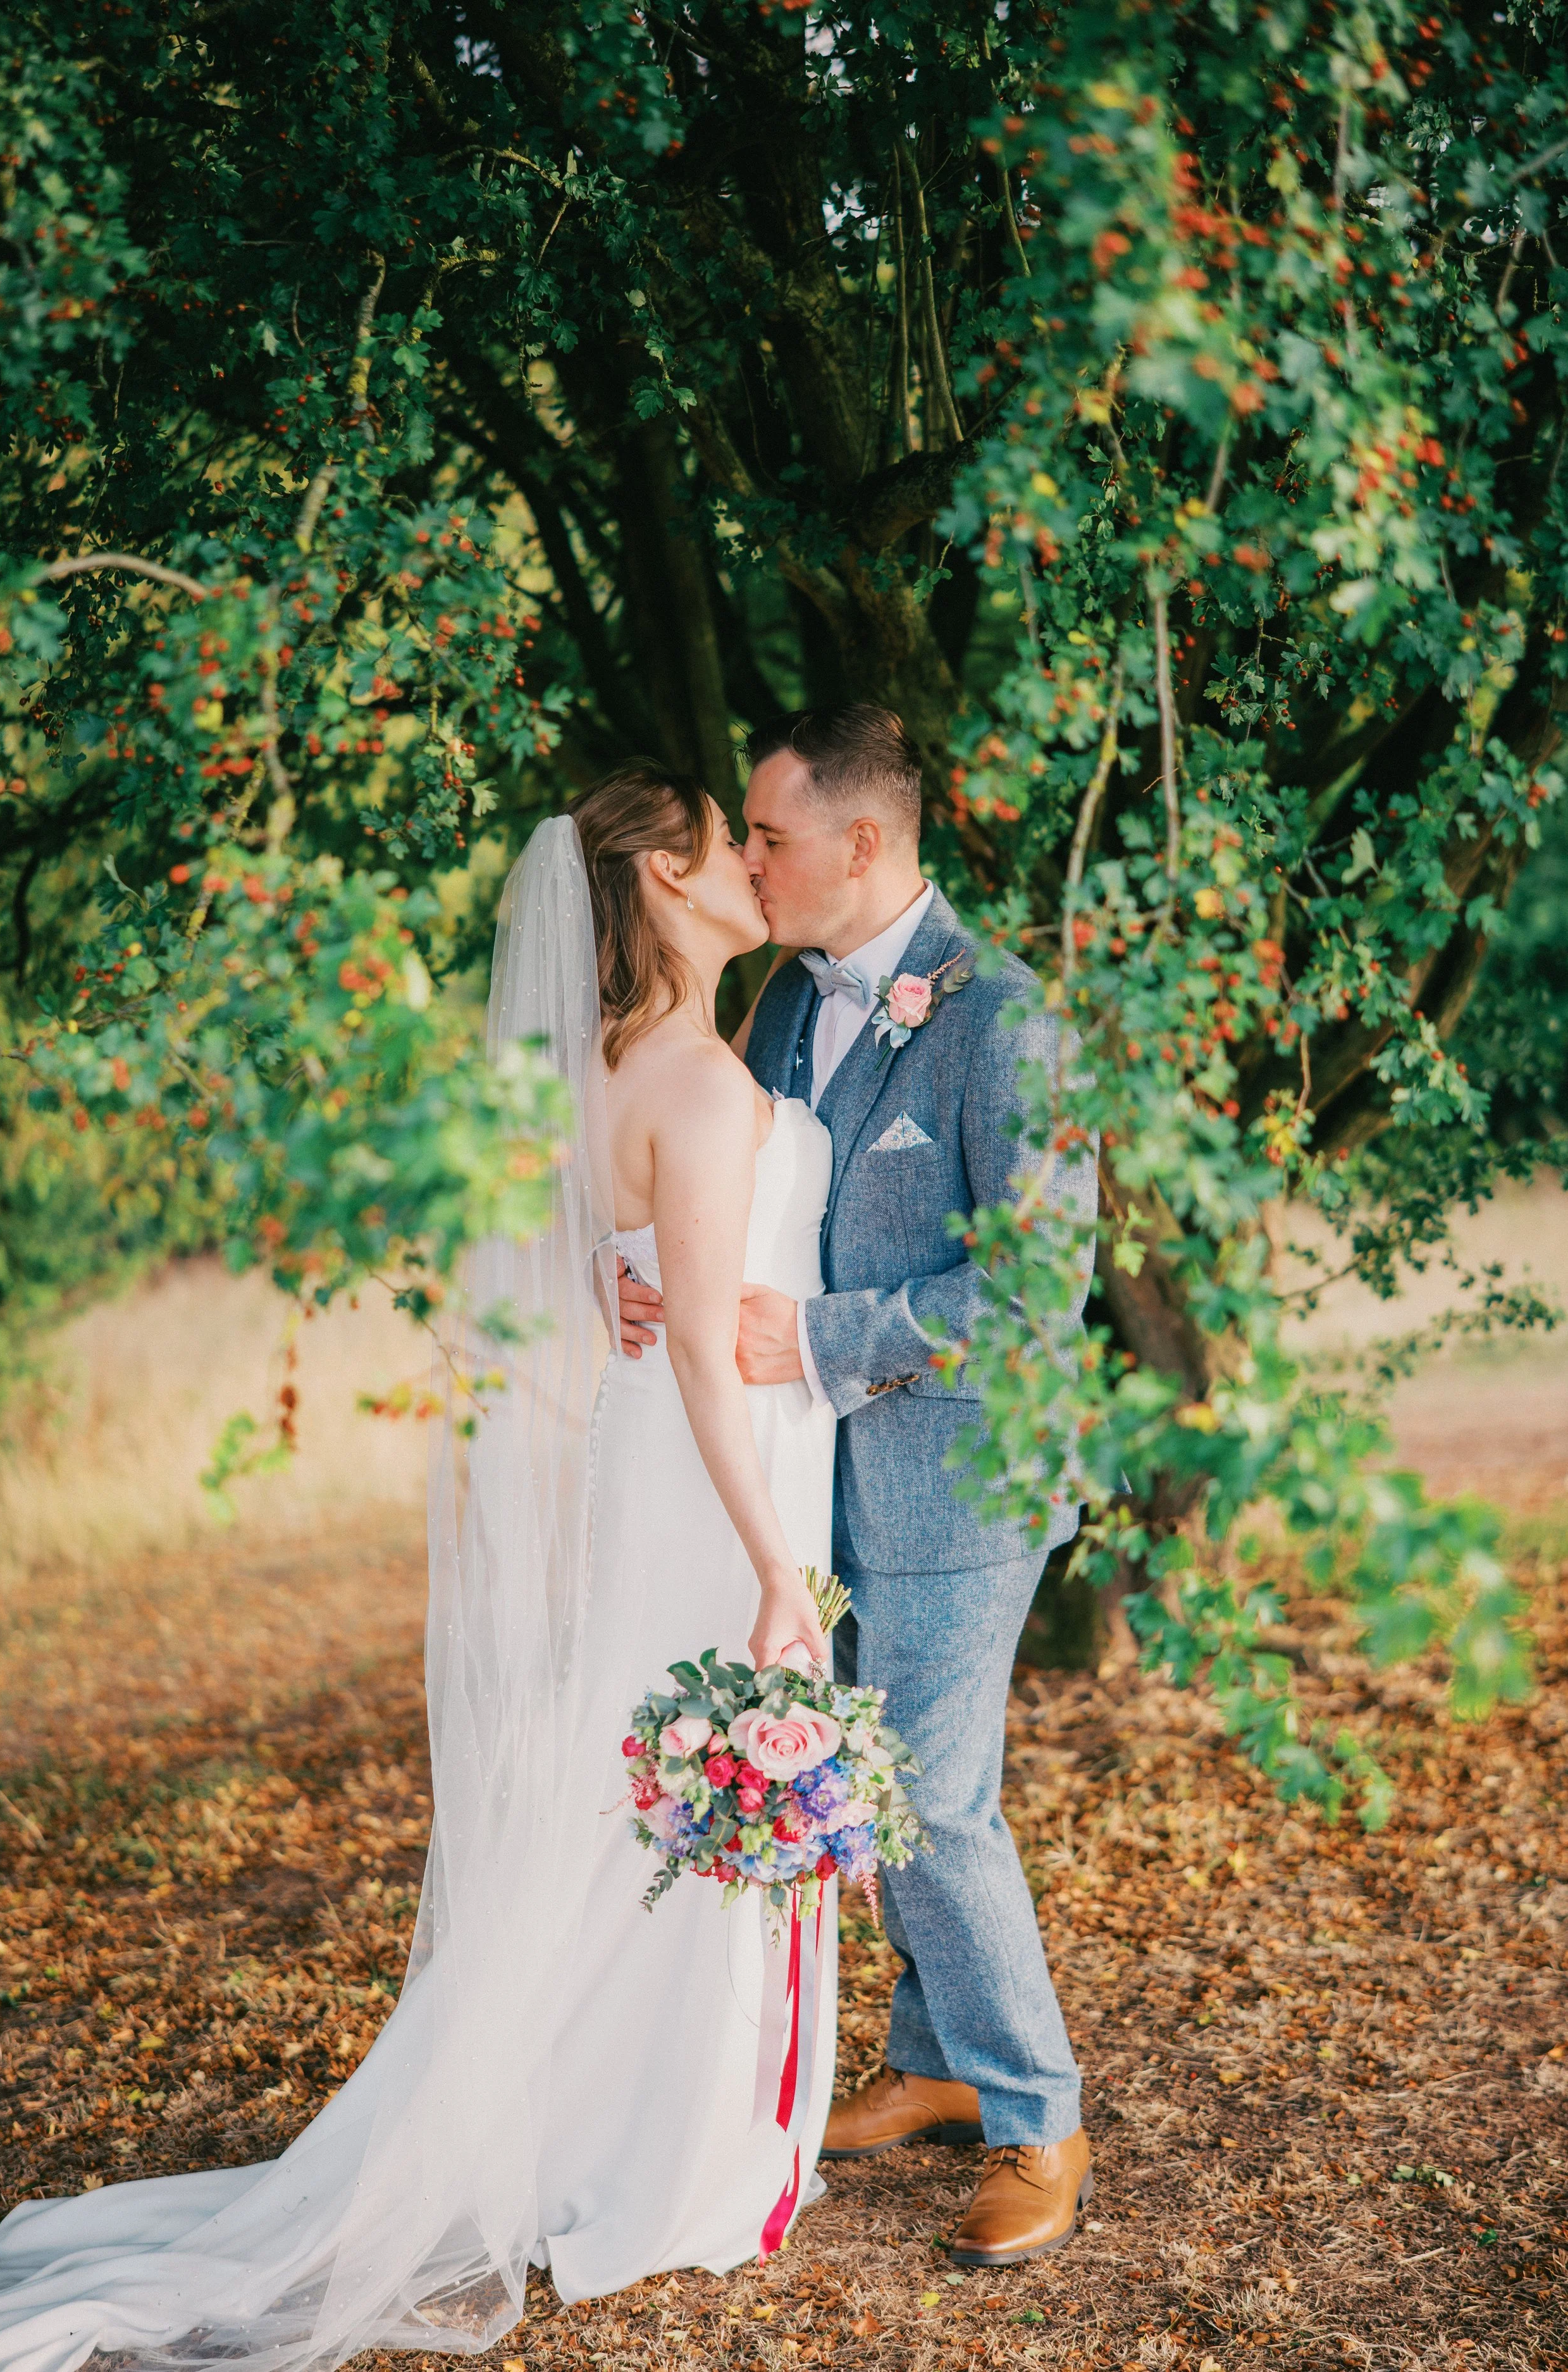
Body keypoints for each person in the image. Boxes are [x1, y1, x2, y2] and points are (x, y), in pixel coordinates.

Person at [0, 767, 839, 2369]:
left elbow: (599, 1270)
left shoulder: (606, 1067)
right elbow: (716, 1365)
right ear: (665, 874)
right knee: (677, 1794)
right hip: (710, 1478)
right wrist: (779, 1569)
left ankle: (577, 2122)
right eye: (730, 839)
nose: (752, 861)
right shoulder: (706, 1090)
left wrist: (615, 1273)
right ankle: (660, 2157)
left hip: (636, 1465)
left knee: (629, 1799)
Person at [617, 705, 1097, 2267]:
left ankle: (1037, 2117)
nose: (747, 860)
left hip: (965, 1476)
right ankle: (935, 2065)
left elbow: (1039, 1285)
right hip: (814, 1469)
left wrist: (822, 1336)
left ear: (864, 844)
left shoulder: (1006, 1020)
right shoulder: (775, 1003)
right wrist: (658, 1291)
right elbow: (746, 1206)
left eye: (766, 836)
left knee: (929, 1804)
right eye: (741, 840)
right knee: (868, 1771)